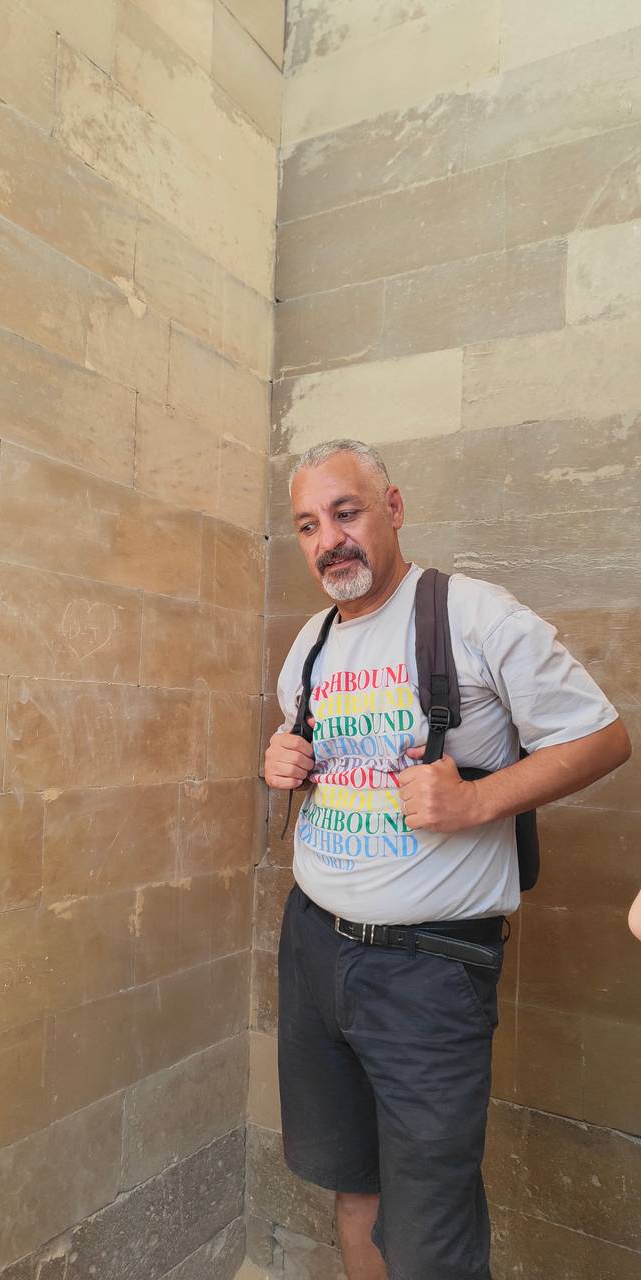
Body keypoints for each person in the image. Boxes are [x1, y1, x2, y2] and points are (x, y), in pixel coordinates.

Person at [264, 439, 631, 1280]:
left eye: (347, 513)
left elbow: (604, 738)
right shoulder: (310, 644)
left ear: (392, 509)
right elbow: (312, 752)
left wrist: (474, 802)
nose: (330, 541)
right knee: (352, 1190)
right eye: (309, 526)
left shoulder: (473, 613)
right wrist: (279, 759)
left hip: (427, 974)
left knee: (429, 1230)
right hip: (315, 950)